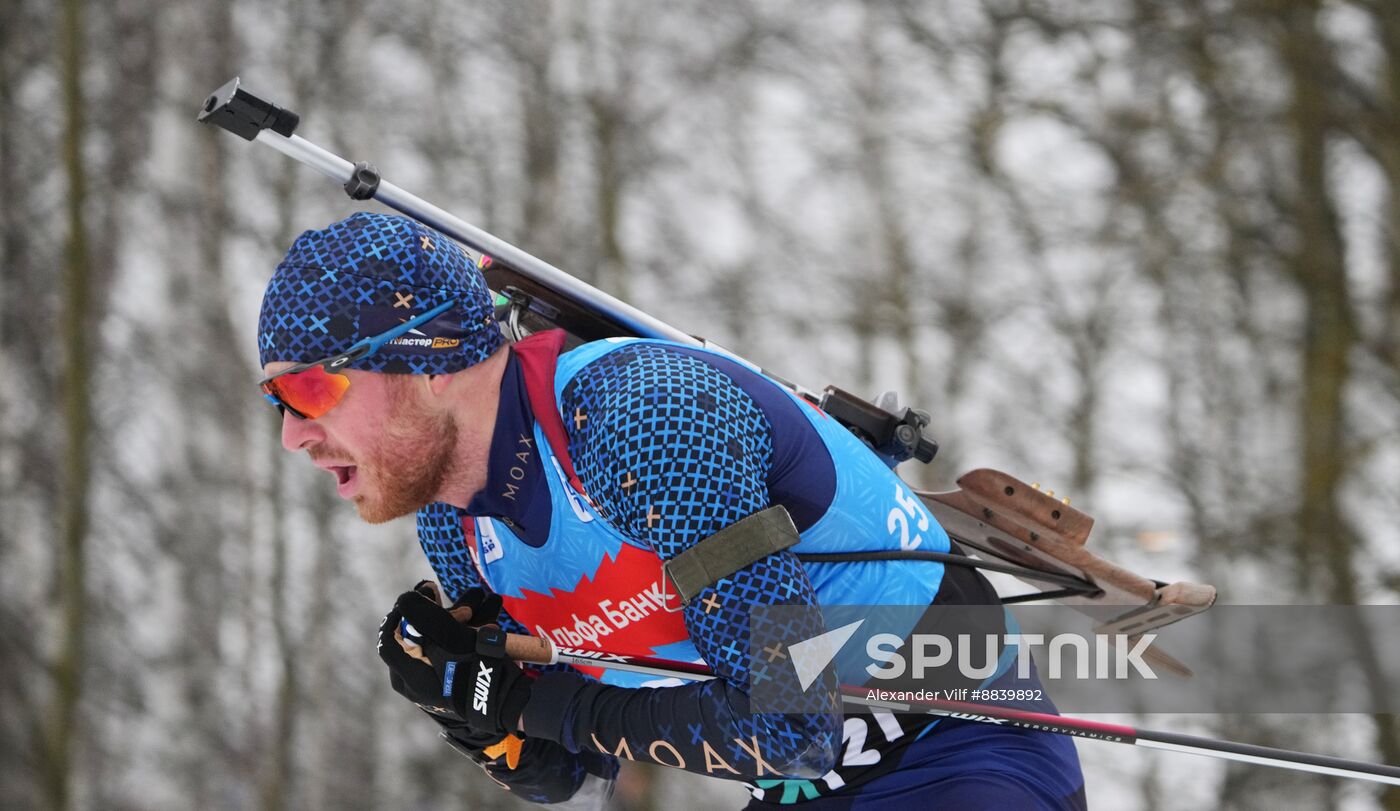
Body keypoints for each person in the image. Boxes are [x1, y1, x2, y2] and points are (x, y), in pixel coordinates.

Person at [256, 211, 1087, 809]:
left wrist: (523, 703)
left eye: (311, 388)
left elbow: (788, 723)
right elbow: (576, 779)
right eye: (276, 400)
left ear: (431, 363)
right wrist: (470, 707)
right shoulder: (458, 523)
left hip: (957, 749)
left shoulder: (641, 422)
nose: (294, 434)